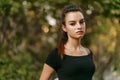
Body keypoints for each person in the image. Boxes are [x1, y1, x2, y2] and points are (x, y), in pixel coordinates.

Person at [39, 5, 95, 80]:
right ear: (64, 27)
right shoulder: (57, 54)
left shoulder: (88, 52)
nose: (79, 26)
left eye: (81, 22)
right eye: (72, 24)